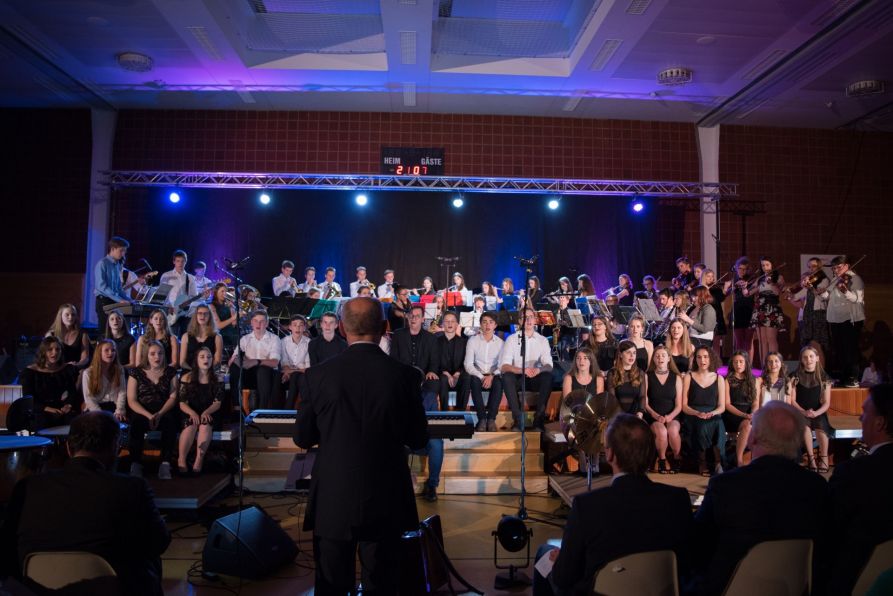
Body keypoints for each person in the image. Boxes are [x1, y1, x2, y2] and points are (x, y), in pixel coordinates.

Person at [294, 297, 428, 594]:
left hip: (333, 498)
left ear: (341, 329)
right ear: (384, 328)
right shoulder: (405, 377)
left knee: (331, 586)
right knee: (383, 585)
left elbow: (302, 438)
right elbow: (419, 439)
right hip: (387, 497)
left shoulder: (317, 376)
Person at [0, 411, 170, 596]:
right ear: (115, 447)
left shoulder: (28, 487)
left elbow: (7, 550)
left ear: (68, 447)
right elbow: (158, 542)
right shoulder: (132, 488)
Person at [533, 415, 693, 596]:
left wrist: (560, 560)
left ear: (610, 454)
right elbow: (689, 564)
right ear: (651, 454)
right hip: (661, 589)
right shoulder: (678, 500)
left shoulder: (586, 506)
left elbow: (564, 578)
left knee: (544, 555)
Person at [691, 401, 830, 596]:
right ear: (798, 441)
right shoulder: (816, 486)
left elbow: (698, 545)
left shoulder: (726, 486)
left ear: (752, 438)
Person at [829, 384, 893, 595]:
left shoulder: (854, 474)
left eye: (864, 413)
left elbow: (830, 527)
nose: (859, 419)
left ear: (880, 423)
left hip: (858, 581)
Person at [390, 304, 444, 501]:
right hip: (403, 387)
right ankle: (400, 484)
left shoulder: (431, 338)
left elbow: (435, 362)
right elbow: (393, 361)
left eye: (417, 316)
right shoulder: (398, 335)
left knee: (437, 444)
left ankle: (432, 485)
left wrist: (431, 371)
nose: (413, 318)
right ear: (407, 318)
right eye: (411, 316)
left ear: (423, 319)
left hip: (424, 384)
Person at [127, 339, 179, 480]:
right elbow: (131, 400)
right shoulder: (136, 372)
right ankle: (136, 464)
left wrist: (160, 414)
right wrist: (148, 415)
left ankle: (165, 464)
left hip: (164, 409)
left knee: (170, 423)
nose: (157, 357)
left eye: (160, 353)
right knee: (136, 424)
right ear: (146, 355)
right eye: (153, 354)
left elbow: (173, 398)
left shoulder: (170, 372)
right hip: (142, 410)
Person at [500, 307, 554, 431]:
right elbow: (504, 366)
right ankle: (518, 420)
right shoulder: (512, 339)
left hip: (535, 376)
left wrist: (538, 370)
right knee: (507, 377)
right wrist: (522, 370)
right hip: (518, 376)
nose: (528, 320)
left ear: (535, 320)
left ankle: (539, 419)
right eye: (525, 317)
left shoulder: (542, 340)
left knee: (548, 376)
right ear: (520, 321)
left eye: (531, 317)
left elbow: (549, 365)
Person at [822, 254, 865, 387]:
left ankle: (853, 377)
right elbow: (826, 296)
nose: (835, 270)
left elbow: (857, 299)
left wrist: (845, 291)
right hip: (835, 319)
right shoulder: (835, 279)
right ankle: (844, 376)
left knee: (850, 349)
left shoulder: (855, 279)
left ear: (847, 266)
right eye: (834, 268)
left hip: (850, 319)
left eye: (838, 267)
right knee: (839, 350)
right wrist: (817, 290)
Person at [177, 346, 222, 475]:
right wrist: (192, 413)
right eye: (202, 357)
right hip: (190, 411)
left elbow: (217, 403)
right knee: (191, 425)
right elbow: (182, 403)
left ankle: (198, 460)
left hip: (209, 411)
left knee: (205, 425)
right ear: (196, 360)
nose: (206, 359)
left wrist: (206, 412)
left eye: (209, 357)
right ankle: (181, 460)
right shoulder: (187, 377)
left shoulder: (217, 378)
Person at [682, 346, 726, 476]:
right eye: (699, 357)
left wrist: (712, 413)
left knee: (718, 423)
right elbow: (684, 405)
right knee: (701, 425)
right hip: (693, 413)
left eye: (706, 357)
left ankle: (718, 462)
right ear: (695, 360)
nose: (702, 360)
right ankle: (702, 462)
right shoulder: (689, 377)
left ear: (711, 358)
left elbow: (722, 406)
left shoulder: (719, 378)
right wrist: (697, 413)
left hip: (713, 413)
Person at [789, 345, 833, 473]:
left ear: (817, 358)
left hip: (818, 411)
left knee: (821, 426)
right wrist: (803, 411)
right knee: (805, 427)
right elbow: (792, 400)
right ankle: (811, 458)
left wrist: (816, 413)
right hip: (800, 411)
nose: (808, 359)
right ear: (801, 360)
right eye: (805, 357)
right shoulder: (795, 376)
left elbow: (826, 402)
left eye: (811, 356)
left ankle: (824, 458)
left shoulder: (824, 377)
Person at [20, 336, 80, 430]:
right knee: (43, 421)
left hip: (61, 408)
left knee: (74, 420)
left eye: (57, 349)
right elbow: (29, 398)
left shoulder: (66, 369)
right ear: (43, 352)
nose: (54, 353)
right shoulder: (30, 372)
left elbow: (72, 392)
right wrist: (47, 408)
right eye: (50, 350)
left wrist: (68, 404)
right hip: (40, 410)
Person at [228, 309, 280, 411]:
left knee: (262, 369)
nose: (258, 324)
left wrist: (256, 361)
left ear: (267, 323)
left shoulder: (274, 339)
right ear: (251, 322)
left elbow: (274, 362)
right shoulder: (245, 339)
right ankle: (237, 404)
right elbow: (231, 360)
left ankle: (262, 409)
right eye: (255, 321)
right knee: (234, 367)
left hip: (268, 373)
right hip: (249, 373)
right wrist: (239, 360)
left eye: (262, 321)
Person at [643, 345, 683, 474]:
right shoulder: (647, 376)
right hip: (653, 414)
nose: (660, 358)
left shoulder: (676, 377)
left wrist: (670, 416)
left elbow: (679, 405)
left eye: (663, 355)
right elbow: (645, 402)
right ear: (653, 359)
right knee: (661, 432)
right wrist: (655, 416)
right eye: (657, 356)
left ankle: (677, 458)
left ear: (668, 359)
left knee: (672, 430)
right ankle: (662, 459)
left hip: (672, 414)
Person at [464, 311, 504, 431]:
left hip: (494, 374)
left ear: (495, 325)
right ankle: (481, 419)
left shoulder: (501, 343)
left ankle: (491, 419)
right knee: (474, 381)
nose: (487, 325)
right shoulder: (472, 341)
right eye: (484, 322)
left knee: (499, 382)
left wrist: (491, 376)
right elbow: (468, 364)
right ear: (480, 324)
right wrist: (482, 377)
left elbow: (502, 365)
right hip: (478, 373)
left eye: (491, 322)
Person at [723, 351, 761, 467]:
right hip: (731, 414)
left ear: (746, 363)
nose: (738, 365)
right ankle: (739, 461)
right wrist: (745, 415)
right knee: (748, 424)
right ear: (732, 364)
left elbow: (755, 402)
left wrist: (753, 413)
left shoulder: (754, 380)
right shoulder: (727, 380)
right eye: (735, 362)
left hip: (748, 415)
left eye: (741, 362)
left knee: (749, 425)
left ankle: (743, 460)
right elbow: (727, 404)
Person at [785, 257, 830, 356]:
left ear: (819, 266)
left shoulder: (824, 279)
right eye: (809, 267)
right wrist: (790, 295)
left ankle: (819, 370)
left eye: (814, 266)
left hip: (818, 313)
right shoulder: (811, 280)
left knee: (817, 345)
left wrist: (811, 286)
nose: (811, 269)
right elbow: (800, 294)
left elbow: (822, 298)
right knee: (808, 345)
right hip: (808, 314)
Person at [748, 256, 785, 364]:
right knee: (762, 340)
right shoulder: (760, 278)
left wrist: (772, 283)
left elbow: (778, 293)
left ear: (772, 265)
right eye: (763, 265)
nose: (765, 267)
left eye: (767, 265)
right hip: (760, 308)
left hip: (772, 308)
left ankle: (774, 364)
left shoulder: (778, 277)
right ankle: (764, 365)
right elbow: (748, 293)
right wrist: (745, 287)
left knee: (771, 338)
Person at [94, 236, 132, 332]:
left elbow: (118, 288)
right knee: (104, 331)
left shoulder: (117, 265)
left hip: (114, 300)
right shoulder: (102, 263)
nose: (123, 254)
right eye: (121, 250)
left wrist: (129, 299)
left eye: (124, 251)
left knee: (117, 331)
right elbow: (101, 286)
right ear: (112, 249)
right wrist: (119, 299)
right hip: (104, 301)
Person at [82, 339, 127, 422]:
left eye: (113, 350)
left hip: (114, 406)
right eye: (106, 350)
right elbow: (89, 399)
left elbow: (122, 391)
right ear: (99, 353)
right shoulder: (88, 373)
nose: (110, 353)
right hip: (96, 407)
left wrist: (119, 410)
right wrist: (100, 415)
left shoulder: (119, 369)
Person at [435, 312, 469, 411]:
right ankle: (444, 413)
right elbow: (434, 361)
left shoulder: (464, 342)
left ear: (457, 324)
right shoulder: (435, 341)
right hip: (443, 376)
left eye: (452, 321)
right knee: (443, 379)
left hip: (459, 375)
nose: (450, 324)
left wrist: (458, 373)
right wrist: (446, 373)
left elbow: (467, 362)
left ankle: (461, 412)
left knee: (467, 377)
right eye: (447, 321)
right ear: (442, 325)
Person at [160, 249, 198, 336]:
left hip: (186, 313)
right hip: (171, 311)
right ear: (174, 261)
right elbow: (162, 295)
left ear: (186, 262)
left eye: (182, 261)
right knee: (172, 337)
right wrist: (168, 306)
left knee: (186, 338)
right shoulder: (166, 275)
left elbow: (193, 296)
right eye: (178, 261)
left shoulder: (191, 278)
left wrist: (202, 296)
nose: (180, 263)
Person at [726, 256, 755, 361]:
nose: (742, 271)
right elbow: (726, 293)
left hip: (749, 310)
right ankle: (739, 362)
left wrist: (745, 287)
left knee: (748, 341)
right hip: (737, 311)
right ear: (736, 268)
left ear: (748, 269)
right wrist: (732, 287)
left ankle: (749, 366)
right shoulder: (734, 280)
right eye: (740, 268)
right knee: (738, 341)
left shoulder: (752, 280)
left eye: (744, 269)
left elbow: (751, 294)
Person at [606, 340, 645, 417]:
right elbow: (612, 398)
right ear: (620, 354)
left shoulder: (640, 372)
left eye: (634, 353)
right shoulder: (612, 373)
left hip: (635, 415)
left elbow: (642, 396)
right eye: (628, 352)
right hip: (618, 415)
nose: (632, 356)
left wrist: (640, 413)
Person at [47, 303, 90, 369]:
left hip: (76, 369)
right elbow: (47, 357)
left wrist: (76, 365)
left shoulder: (83, 334)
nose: (70, 317)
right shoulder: (51, 334)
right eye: (67, 315)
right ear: (60, 316)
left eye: (73, 315)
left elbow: (85, 358)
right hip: (56, 369)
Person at [179, 304, 223, 370]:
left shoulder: (217, 337)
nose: (203, 316)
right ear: (195, 316)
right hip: (190, 372)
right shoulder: (185, 336)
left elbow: (217, 362)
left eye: (206, 314)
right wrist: (194, 372)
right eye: (200, 313)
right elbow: (182, 362)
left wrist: (204, 372)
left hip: (208, 373)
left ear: (210, 317)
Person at [280, 315, 311, 409]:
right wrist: (292, 370)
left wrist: (290, 372)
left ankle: (288, 408)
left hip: (301, 374)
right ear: (290, 327)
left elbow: (307, 367)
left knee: (296, 376)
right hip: (286, 373)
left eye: (301, 325)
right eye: (295, 325)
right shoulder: (283, 342)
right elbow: (284, 363)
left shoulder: (309, 343)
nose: (298, 328)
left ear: (304, 327)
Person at [678, 286, 716, 350]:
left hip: (702, 340)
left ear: (701, 296)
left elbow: (704, 329)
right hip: (693, 337)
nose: (692, 299)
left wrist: (688, 319)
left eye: (694, 296)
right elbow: (690, 325)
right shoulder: (696, 308)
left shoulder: (708, 308)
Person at [701, 268, 728, 356]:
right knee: (705, 342)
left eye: (712, 277)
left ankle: (716, 363)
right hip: (704, 317)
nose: (711, 278)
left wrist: (725, 289)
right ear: (704, 277)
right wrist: (705, 291)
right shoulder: (700, 289)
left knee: (716, 341)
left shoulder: (716, 289)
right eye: (708, 276)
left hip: (716, 316)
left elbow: (720, 299)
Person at [209, 282, 239, 353]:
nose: (224, 293)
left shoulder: (229, 304)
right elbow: (218, 325)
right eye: (222, 291)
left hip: (231, 333)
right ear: (216, 293)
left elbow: (234, 323)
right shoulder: (212, 306)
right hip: (220, 335)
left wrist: (232, 307)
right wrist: (234, 317)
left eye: (226, 291)